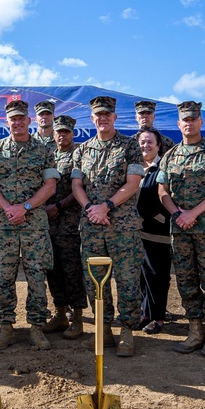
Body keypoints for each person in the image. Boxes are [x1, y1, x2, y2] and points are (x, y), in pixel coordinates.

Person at [71, 96, 145, 356]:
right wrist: (91, 209)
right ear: (92, 119)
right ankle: (103, 329)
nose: (102, 118)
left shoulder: (130, 146)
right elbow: (76, 185)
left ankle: (126, 331)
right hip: (92, 226)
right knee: (95, 281)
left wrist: (107, 207)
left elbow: (133, 181)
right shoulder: (82, 150)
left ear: (114, 117)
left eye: (107, 114)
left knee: (127, 280)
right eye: (98, 115)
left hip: (122, 226)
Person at [158, 101, 205, 358]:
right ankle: (195, 330)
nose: (189, 123)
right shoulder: (170, 155)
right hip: (181, 229)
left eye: (193, 119)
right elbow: (163, 191)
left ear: (201, 122)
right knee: (186, 282)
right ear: (178, 124)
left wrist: (193, 213)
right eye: (184, 120)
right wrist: (178, 214)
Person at [0, 100, 58, 351]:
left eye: (21, 118)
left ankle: (36, 328)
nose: (17, 122)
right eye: (12, 119)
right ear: (7, 122)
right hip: (4, 226)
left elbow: (50, 186)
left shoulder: (45, 150)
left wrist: (24, 207)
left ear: (29, 121)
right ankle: (5, 328)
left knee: (37, 277)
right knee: (3, 278)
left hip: (34, 225)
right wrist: (8, 209)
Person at [42, 115, 87, 339]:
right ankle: (60, 314)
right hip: (49, 226)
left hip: (70, 225)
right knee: (53, 271)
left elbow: (79, 188)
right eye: (59, 131)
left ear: (72, 133)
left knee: (72, 272)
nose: (62, 135)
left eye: (66, 131)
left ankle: (76, 318)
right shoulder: (48, 155)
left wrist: (58, 205)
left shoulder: (79, 155)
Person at [135, 127, 173, 334]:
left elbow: (168, 197)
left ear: (158, 145)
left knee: (157, 274)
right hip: (135, 232)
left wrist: (156, 218)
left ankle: (158, 317)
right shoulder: (134, 169)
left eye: (150, 142)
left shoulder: (162, 168)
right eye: (142, 142)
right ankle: (145, 314)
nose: (145, 146)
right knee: (142, 274)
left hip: (157, 230)